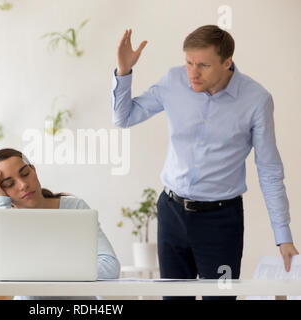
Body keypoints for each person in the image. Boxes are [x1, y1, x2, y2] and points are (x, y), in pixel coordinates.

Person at [111, 25, 298, 300]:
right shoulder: (173, 81)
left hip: (221, 222)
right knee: (174, 299)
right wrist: (124, 71)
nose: (193, 73)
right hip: (171, 213)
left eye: (203, 65)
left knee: (219, 299)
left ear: (227, 62)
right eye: (188, 62)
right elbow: (124, 117)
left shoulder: (257, 100)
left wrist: (283, 236)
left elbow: (269, 170)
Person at [0, 148, 121, 300]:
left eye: (25, 174)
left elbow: (110, 267)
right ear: (1, 190)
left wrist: (34, 271)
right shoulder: (3, 218)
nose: (23, 185)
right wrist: (0, 205)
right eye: (9, 183)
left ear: (34, 170)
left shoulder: (75, 208)